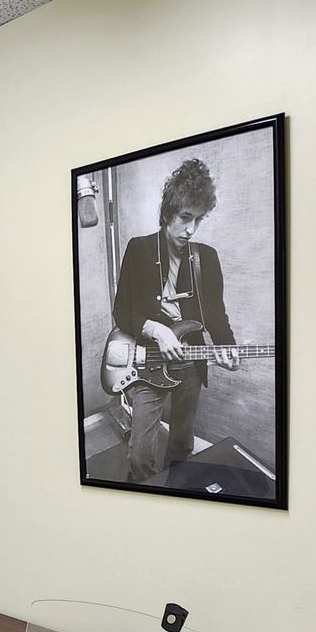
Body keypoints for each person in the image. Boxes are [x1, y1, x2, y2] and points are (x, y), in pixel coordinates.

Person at [110, 158, 240, 483]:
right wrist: (155, 330)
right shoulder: (139, 250)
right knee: (140, 454)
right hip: (147, 362)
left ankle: (176, 494)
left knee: (182, 446)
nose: (191, 229)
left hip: (190, 364)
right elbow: (121, 312)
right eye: (185, 218)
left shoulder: (206, 257)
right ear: (169, 212)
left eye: (198, 219)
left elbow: (216, 314)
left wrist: (227, 347)